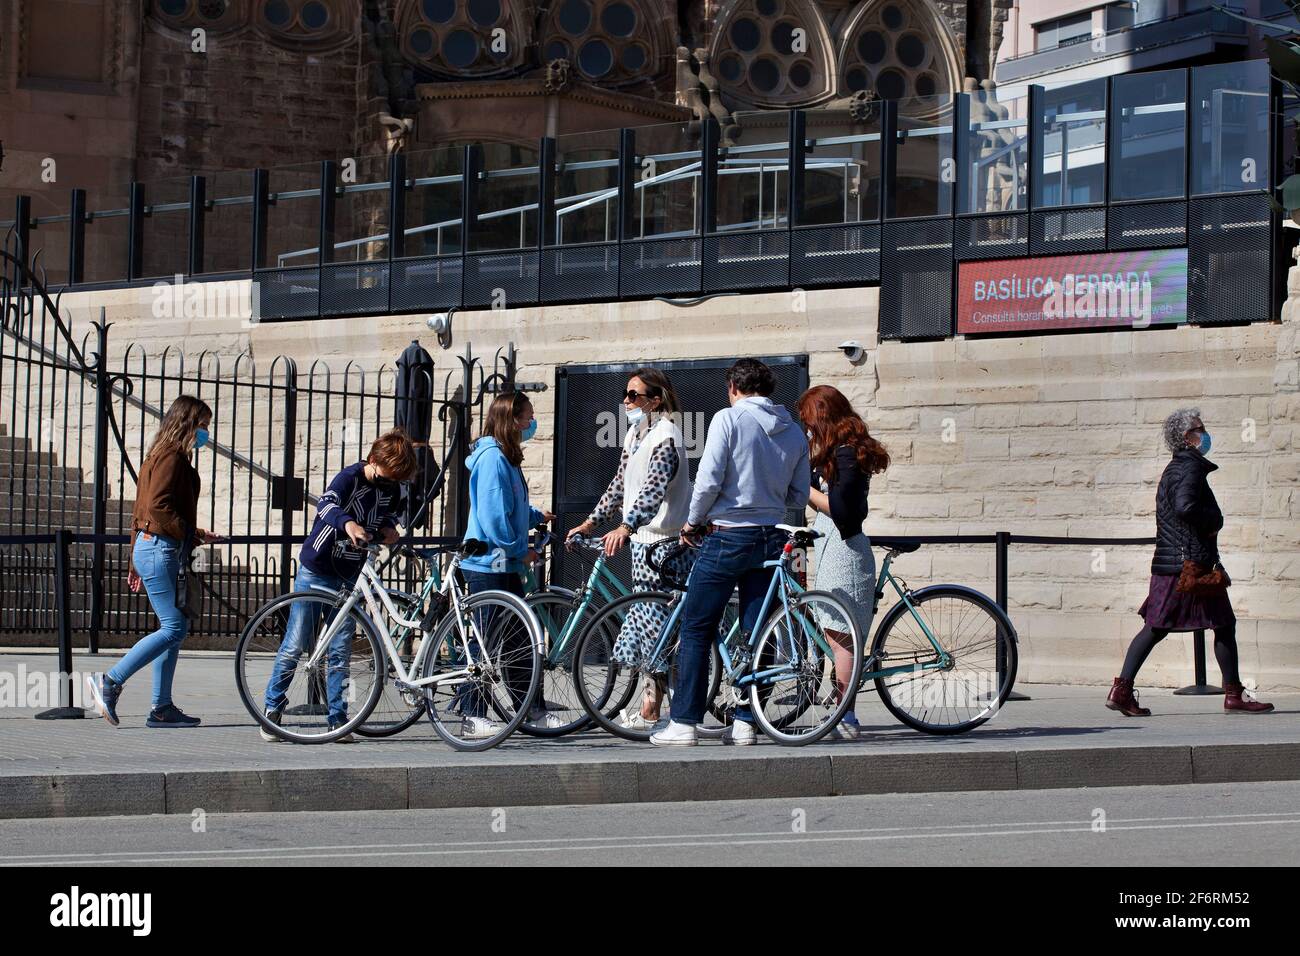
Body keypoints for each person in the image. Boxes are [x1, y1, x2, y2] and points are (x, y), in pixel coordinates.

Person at [650, 358, 810, 747]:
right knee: (758, 634)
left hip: (726, 536)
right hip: (770, 536)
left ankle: (684, 722)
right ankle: (745, 723)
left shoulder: (729, 419)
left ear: (734, 388)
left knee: (696, 626)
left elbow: (708, 479)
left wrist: (692, 522)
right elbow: (799, 494)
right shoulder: (793, 431)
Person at [1108, 408, 1273, 716]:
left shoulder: (1175, 468)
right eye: (1200, 428)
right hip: (1188, 566)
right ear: (1187, 437)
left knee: (1195, 625)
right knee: (1212, 626)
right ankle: (1232, 695)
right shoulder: (1190, 467)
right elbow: (1185, 508)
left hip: (1173, 564)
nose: (1205, 433)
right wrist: (1214, 520)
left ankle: (1124, 690)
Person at [260, 428, 418, 742]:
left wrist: (388, 530)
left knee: (341, 648)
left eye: (396, 479)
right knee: (296, 642)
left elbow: (386, 516)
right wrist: (349, 524)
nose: (390, 483)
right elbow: (327, 506)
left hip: (350, 574)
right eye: (387, 475)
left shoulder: (392, 488)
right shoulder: (349, 478)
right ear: (372, 460)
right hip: (317, 569)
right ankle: (272, 709)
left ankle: (338, 718)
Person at [85, 395, 223, 728]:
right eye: (203, 424)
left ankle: (161, 708)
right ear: (187, 423)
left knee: (174, 627)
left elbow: (140, 512)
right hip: (160, 547)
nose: (205, 431)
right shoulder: (172, 458)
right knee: (173, 626)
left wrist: (139, 554)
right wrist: (188, 533)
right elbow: (159, 508)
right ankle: (111, 681)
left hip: (154, 546)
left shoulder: (157, 456)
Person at [567, 367, 692, 730]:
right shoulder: (637, 434)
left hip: (663, 546)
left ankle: (666, 709)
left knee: (657, 631)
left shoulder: (667, 436)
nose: (626, 401)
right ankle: (654, 706)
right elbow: (619, 484)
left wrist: (625, 525)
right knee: (644, 625)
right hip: (643, 544)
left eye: (634, 395)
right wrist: (593, 521)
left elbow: (653, 491)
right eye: (625, 394)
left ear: (655, 400)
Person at [457, 391, 556, 738]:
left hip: (502, 566)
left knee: (517, 642)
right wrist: (519, 551)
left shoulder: (506, 459)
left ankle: (530, 709)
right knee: (485, 644)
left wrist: (534, 515)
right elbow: (495, 517)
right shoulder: (492, 460)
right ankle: (472, 715)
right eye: (528, 416)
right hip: (489, 565)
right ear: (513, 420)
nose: (532, 423)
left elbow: (510, 508)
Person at [797, 385, 890, 741]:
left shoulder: (848, 454)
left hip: (844, 550)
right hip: (833, 547)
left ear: (824, 418)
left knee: (842, 639)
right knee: (838, 635)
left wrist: (804, 489)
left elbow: (842, 510)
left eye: (809, 421)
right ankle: (842, 710)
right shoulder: (838, 452)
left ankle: (845, 716)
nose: (807, 429)